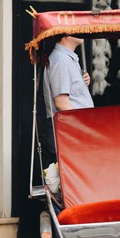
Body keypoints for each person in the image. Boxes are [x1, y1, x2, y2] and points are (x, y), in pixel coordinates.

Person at [42, 34, 94, 166]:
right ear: (66, 34)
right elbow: (61, 102)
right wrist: (83, 127)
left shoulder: (67, 59)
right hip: (68, 131)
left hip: (71, 130)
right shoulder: (61, 60)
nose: (81, 32)